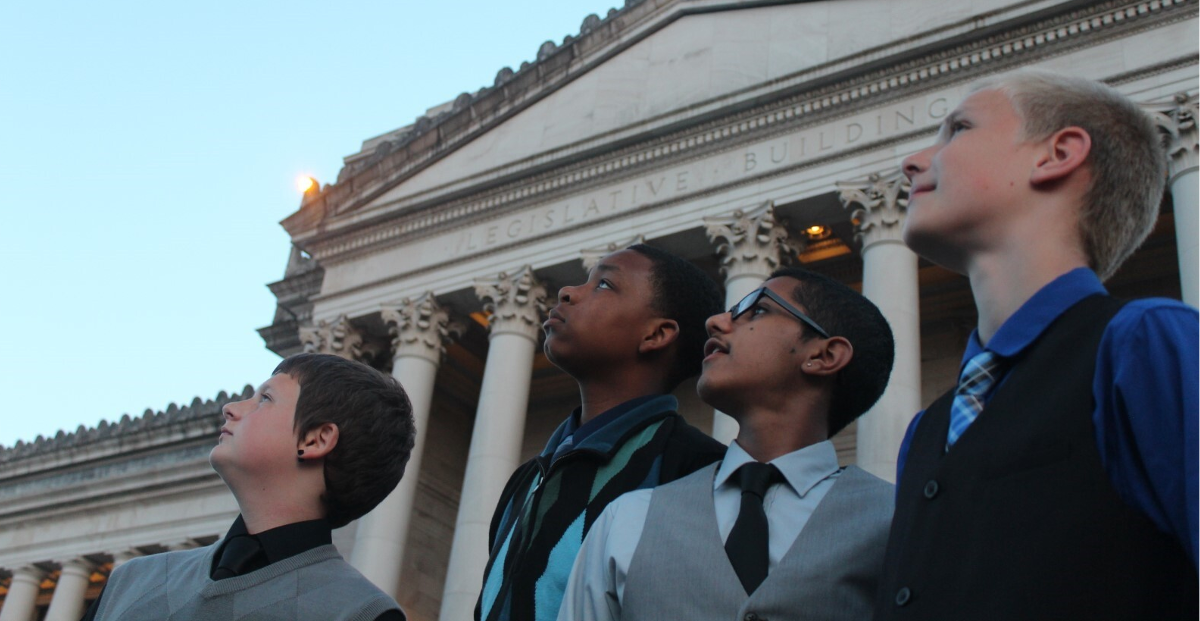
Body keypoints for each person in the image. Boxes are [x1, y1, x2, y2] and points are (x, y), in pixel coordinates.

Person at [875, 70, 1199, 620]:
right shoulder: (928, 429)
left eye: (958, 130)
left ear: (1057, 154)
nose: (911, 162)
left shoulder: (1146, 340)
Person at [559, 267, 896, 621]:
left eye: (758, 310)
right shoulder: (625, 519)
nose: (716, 322)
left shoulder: (896, 521)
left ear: (824, 356)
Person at [477, 244, 727, 621]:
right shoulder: (525, 480)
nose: (568, 292)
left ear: (656, 334)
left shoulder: (698, 471)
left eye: (604, 285)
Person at [83, 353, 415, 621]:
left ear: (316, 439)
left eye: (264, 399)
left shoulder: (360, 613)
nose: (231, 408)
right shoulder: (128, 582)